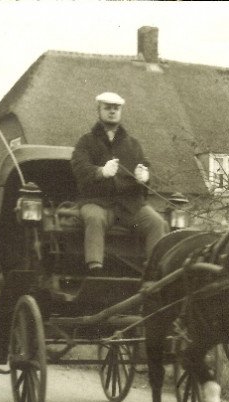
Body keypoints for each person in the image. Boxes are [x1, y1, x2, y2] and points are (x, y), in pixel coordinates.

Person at [71, 92, 169, 274]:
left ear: (121, 111)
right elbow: (79, 168)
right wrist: (100, 171)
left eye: (116, 108)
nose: (112, 112)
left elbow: (145, 166)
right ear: (98, 110)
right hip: (97, 202)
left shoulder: (133, 144)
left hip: (129, 206)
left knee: (156, 222)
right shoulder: (85, 142)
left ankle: (155, 274)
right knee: (94, 218)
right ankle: (95, 269)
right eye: (107, 108)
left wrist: (145, 176)